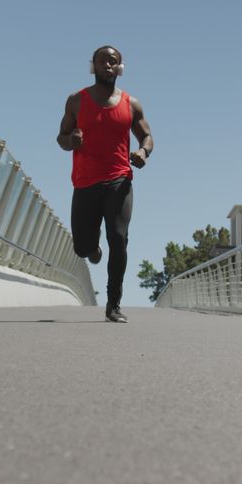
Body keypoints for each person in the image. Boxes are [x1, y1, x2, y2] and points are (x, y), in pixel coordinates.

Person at [57, 45, 153, 323]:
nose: (107, 66)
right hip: (85, 182)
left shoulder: (131, 104)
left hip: (119, 179)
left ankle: (113, 304)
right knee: (82, 247)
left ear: (120, 68)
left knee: (119, 238)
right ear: (93, 66)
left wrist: (143, 152)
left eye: (113, 62)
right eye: (102, 62)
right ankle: (92, 248)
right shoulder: (76, 100)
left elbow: (147, 137)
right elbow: (61, 138)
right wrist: (70, 140)